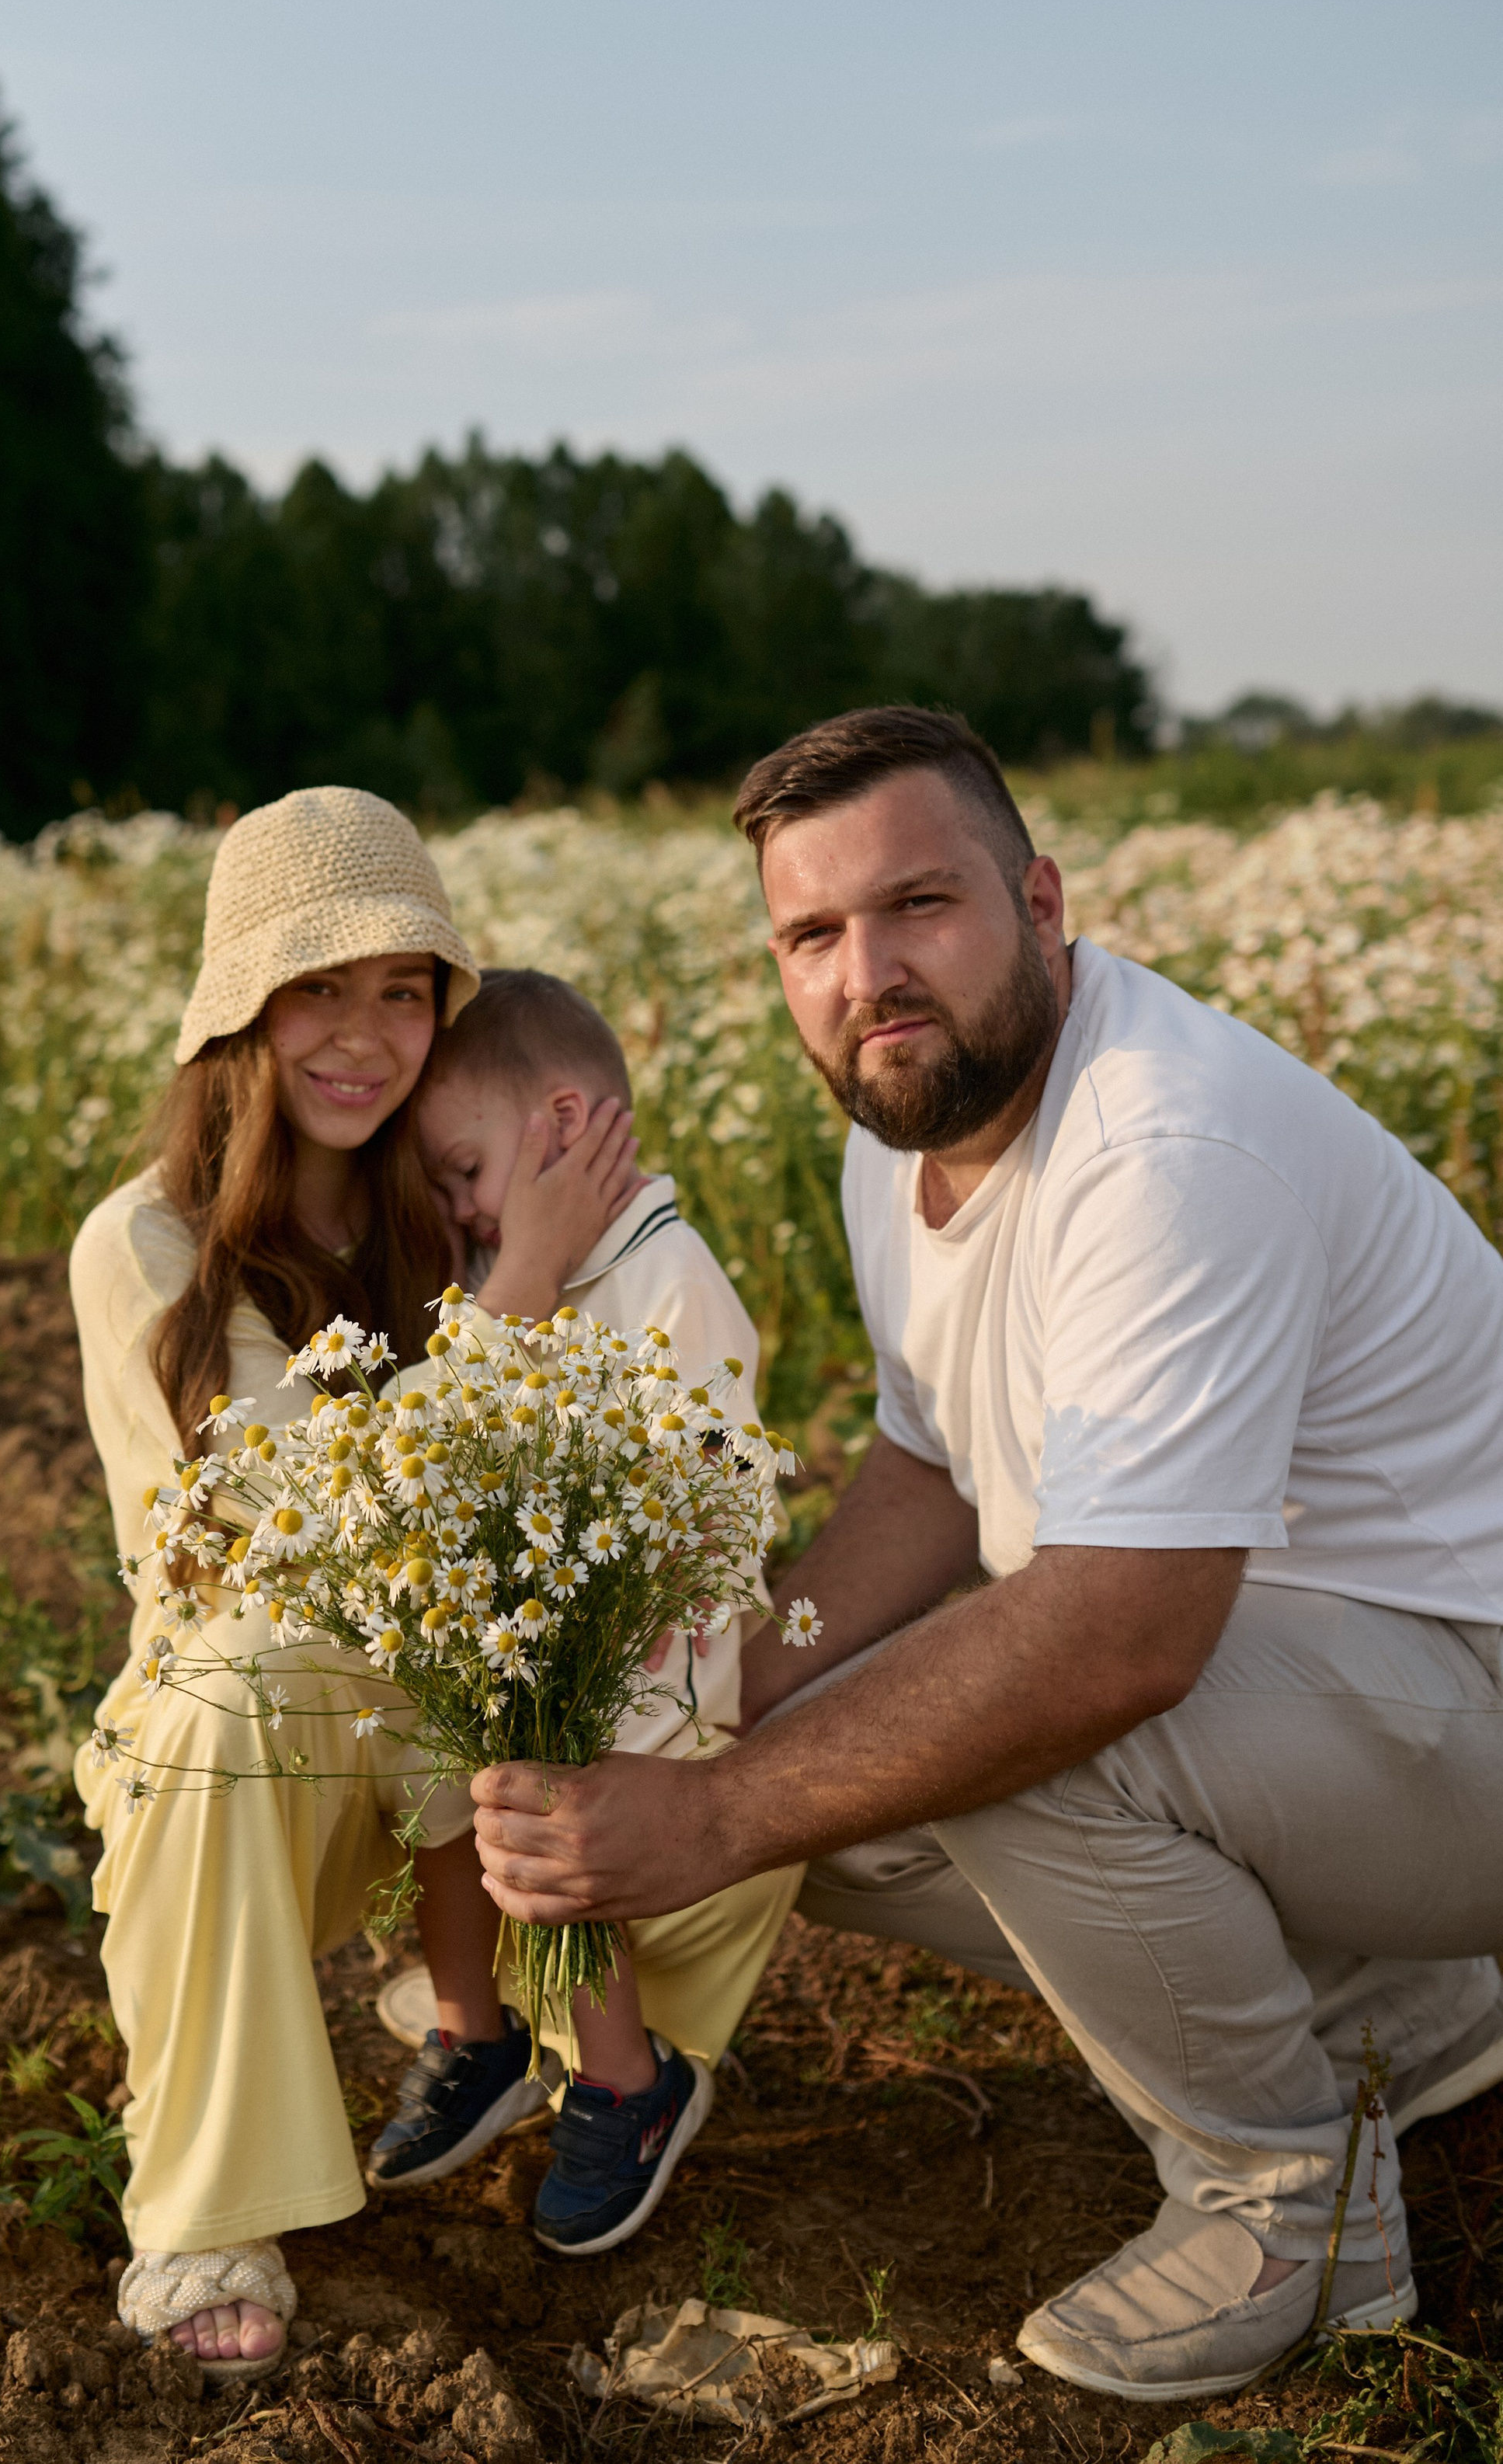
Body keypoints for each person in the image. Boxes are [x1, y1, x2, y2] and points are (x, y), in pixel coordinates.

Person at [468, 706, 1503, 2403]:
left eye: (915, 906)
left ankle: (1291, 2210)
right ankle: (1407, 2016)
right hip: (1349, 1703)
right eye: (811, 933)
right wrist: (726, 1686)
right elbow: (927, 1468)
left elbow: (1112, 1643)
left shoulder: (1163, 1146)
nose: (865, 971)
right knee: (803, 1757)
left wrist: (710, 1812)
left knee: (1005, 1740)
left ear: (1039, 901)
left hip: (1459, 1692)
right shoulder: (910, 1120)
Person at [68, 789, 793, 2382]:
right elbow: (317, 1535)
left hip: (433, 1729)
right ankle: (203, 2198)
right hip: (253, 1753)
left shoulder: (434, 1203)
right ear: (239, 1010)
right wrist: (523, 1275)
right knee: (243, 1681)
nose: (363, 1033)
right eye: (318, 986)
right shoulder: (146, 1246)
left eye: (403, 990)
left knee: (687, 1720)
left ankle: (545, 2037)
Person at [364, 969, 780, 2258]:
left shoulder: (672, 1282)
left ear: (561, 1126)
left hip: (648, 1660)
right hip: (551, 1632)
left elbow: (712, 1501)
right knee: (434, 1754)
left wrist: (596, 1636)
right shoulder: (545, 1277)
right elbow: (453, 1448)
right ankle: (478, 2033)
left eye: (465, 1169)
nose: (462, 1210)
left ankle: (624, 2082)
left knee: (549, 1792)